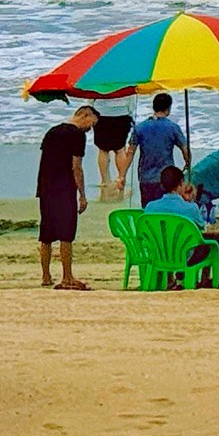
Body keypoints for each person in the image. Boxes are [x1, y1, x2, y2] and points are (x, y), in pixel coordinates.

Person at [36, 102, 96, 290]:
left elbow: (45, 160)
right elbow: (76, 167)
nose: (90, 129)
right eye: (92, 124)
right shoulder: (77, 135)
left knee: (46, 234)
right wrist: (82, 194)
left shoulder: (52, 132)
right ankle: (67, 276)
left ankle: (46, 276)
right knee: (66, 234)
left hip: (46, 186)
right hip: (64, 188)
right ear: (85, 115)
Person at [146, 166, 219, 287]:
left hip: (159, 253)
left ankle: (180, 279)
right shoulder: (190, 208)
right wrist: (190, 201)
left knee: (180, 240)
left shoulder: (150, 208)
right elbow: (203, 228)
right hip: (185, 255)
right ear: (181, 184)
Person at [129, 93, 188, 207]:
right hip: (167, 179)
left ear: (153, 107)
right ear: (168, 109)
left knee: (148, 210)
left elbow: (130, 152)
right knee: (166, 210)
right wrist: (187, 163)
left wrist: (122, 175)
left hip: (145, 178)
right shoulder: (173, 127)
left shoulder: (140, 127)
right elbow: (185, 149)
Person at [89, 95, 136, 201]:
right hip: (122, 111)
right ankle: (121, 179)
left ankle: (105, 181)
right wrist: (130, 110)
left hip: (101, 111)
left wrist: (91, 107)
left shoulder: (96, 77)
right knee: (120, 149)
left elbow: (91, 92)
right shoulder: (125, 76)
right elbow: (131, 93)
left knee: (103, 149)